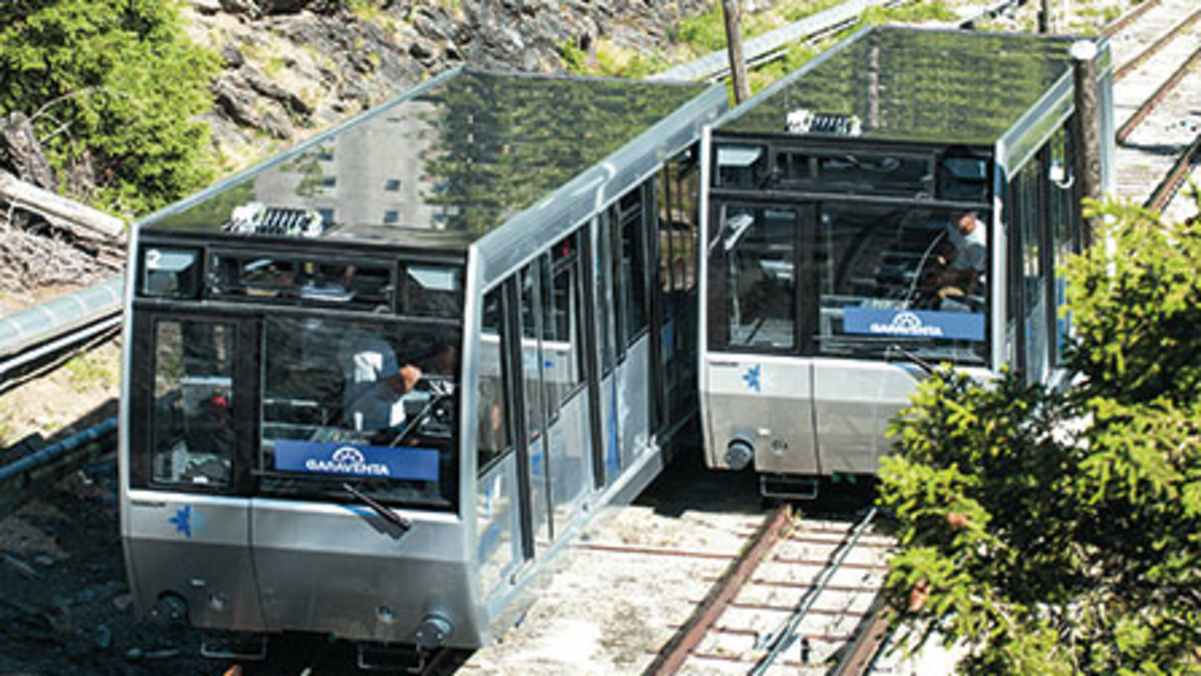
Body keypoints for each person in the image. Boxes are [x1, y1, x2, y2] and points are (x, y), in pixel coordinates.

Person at [339, 329, 423, 439]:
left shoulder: (347, 342)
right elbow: (393, 388)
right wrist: (410, 377)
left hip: (357, 418)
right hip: (381, 424)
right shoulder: (377, 348)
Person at [931, 209, 987, 304]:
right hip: (951, 266)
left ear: (972, 216)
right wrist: (945, 255)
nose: (955, 220)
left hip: (967, 280)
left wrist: (948, 276)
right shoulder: (953, 226)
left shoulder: (980, 242)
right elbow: (950, 243)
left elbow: (974, 274)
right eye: (953, 216)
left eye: (959, 217)